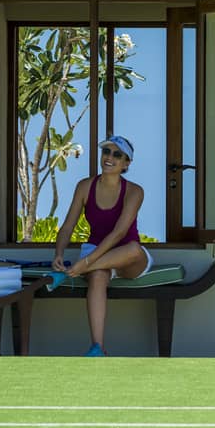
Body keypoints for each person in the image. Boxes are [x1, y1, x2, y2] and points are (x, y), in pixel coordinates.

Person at [48, 135, 149, 356]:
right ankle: (97, 348)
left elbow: (119, 233)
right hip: (94, 253)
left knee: (134, 249)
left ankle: (75, 271)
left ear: (126, 164)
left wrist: (85, 263)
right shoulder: (85, 187)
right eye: (106, 152)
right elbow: (67, 227)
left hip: (125, 255)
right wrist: (59, 253)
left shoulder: (134, 191)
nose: (109, 157)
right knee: (98, 277)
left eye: (117, 154)